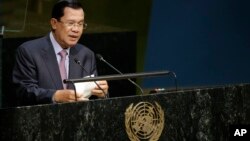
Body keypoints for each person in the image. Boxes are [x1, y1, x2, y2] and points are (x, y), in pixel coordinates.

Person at [12, 0, 109, 106]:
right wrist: (55, 96)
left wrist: (102, 94)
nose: (76, 29)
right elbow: (23, 92)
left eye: (80, 24)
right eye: (71, 23)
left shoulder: (86, 54)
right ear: (54, 23)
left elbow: (94, 99)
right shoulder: (29, 51)